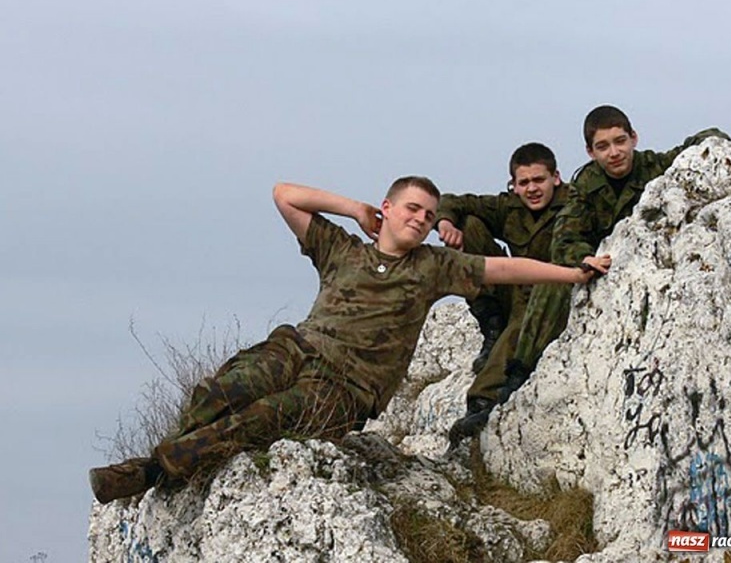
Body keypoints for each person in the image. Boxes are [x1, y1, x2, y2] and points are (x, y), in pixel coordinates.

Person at [89, 176, 609, 504]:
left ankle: (154, 471)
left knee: (262, 419)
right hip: (299, 347)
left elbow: (505, 268)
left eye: (429, 216)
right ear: (388, 207)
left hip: (347, 387)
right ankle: (172, 459)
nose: (421, 220)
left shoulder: (433, 267)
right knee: (226, 390)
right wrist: (354, 209)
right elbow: (283, 195)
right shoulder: (342, 249)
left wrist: (571, 272)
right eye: (412, 209)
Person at [448, 105, 729, 447]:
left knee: (551, 286)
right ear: (590, 152)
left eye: (620, 141)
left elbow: (699, 143)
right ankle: (501, 364)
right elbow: (566, 238)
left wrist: (721, 150)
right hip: (521, 287)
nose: (614, 152)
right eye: (603, 146)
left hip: (602, 276)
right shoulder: (582, 187)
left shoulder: (651, 166)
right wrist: (581, 257)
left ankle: (504, 382)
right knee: (493, 245)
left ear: (633, 138)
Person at [436, 143, 570, 441]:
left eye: (539, 180)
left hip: (549, 296)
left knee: (520, 325)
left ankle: (482, 400)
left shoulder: (573, 204)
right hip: (513, 291)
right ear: (514, 186)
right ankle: (491, 324)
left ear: (555, 178)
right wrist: (446, 224)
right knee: (468, 226)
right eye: (524, 183)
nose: (532, 189)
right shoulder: (509, 207)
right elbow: (451, 202)